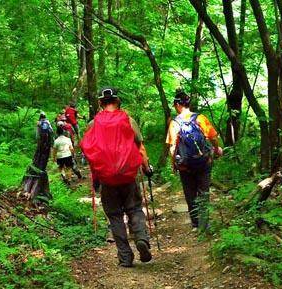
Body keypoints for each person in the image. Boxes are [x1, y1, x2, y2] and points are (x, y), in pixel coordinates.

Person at [81, 87, 153, 267]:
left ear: (100, 103)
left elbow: (90, 152)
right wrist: (146, 167)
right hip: (128, 175)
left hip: (106, 178)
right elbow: (141, 148)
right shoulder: (128, 120)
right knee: (134, 208)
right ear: (118, 101)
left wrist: (96, 176)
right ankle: (141, 238)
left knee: (114, 216)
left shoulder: (93, 124)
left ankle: (125, 256)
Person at [166, 90, 223, 231]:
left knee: (190, 193)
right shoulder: (200, 118)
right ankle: (205, 224)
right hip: (204, 161)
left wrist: (173, 163)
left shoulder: (175, 123)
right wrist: (216, 149)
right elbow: (213, 138)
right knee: (204, 191)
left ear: (178, 105)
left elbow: (173, 148)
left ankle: (196, 224)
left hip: (185, 165)